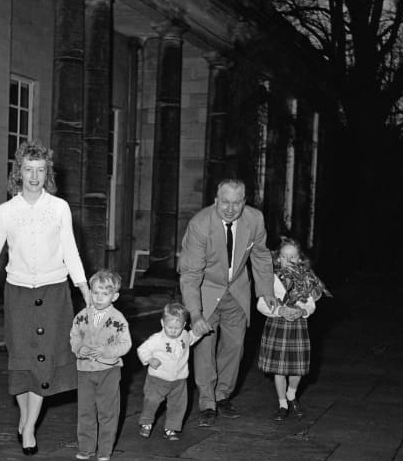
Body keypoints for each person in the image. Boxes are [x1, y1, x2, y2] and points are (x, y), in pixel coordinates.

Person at [0, 141, 90, 456]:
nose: (34, 176)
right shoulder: (6, 212)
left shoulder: (59, 208)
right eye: (28, 170)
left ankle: (29, 427)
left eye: (40, 170)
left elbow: (71, 249)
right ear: (19, 172)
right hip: (18, 294)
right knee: (22, 361)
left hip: (54, 292)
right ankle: (26, 417)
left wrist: (83, 286)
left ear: (47, 173)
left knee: (45, 360)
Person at [179, 178, 279, 427]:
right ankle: (207, 402)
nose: (230, 209)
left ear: (244, 202)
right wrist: (195, 314)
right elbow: (191, 274)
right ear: (216, 200)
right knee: (204, 348)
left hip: (237, 290)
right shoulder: (201, 224)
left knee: (235, 347)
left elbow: (260, 255)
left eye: (237, 203)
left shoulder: (254, 219)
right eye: (225, 202)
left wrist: (266, 290)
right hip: (206, 290)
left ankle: (223, 395)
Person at [257, 237, 329, 421]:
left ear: (300, 259)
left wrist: (302, 310)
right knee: (279, 369)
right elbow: (261, 305)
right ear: (277, 258)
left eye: (293, 257)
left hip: (298, 327)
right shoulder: (271, 278)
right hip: (278, 325)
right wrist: (279, 309)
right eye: (284, 256)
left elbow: (312, 304)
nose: (288, 260)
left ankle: (291, 394)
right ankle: (282, 404)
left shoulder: (306, 277)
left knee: (297, 369)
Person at [70, 269, 131, 461]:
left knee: (108, 411)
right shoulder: (81, 316)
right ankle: (86, 447)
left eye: (105, 294)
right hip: (85, 370)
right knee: (86, 410)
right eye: (95, 292)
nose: (99, 298)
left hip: (109, 370)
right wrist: (79, 348)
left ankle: (105, 449)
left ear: (115, 296)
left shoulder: (118, 320)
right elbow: (74, 336)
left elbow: (125, 343)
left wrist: (106, 351)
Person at [136, 302, 201, 440]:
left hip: (179, 379)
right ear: (162, 323)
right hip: (158, 378)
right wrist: (149, 359)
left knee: (178, 405)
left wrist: (200, 331)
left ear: (183, 325)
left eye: (177, 328)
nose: (173, 331)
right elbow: (142, 349)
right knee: (152, 400)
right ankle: (146, 423)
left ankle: (171, 428)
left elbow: (192, 337)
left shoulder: (184, 335)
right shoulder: (157, 339)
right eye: (169, 327)